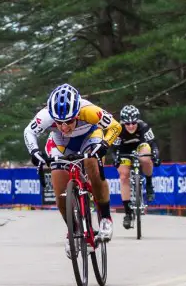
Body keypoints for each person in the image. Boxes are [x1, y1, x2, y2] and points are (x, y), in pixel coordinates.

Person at [24, 83, 122, 259]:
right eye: (59, 122)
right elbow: (29, 132)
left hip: (90, 137)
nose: (64, 126)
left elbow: (115, 127)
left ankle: (106, 218)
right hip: (60, 143)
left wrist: (104, 145)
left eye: (69, 121)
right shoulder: (46, 115)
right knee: (59, 191)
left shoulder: (89, 111)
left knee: (92, 162)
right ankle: (74, 230)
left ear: (77, 113)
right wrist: (34, 152)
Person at [112, 105, 161, 229]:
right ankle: (128, 214)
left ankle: (149, 184)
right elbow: (114, 149)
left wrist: (156, 155)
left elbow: (153, 144)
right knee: (123, 176)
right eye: (127, 123)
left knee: (146, 157)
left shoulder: (144, 127)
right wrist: (115, 159)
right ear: (123, 122)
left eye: (133, 122)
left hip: (140, 146)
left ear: (137, 120)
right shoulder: (118, 129)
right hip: (124, 151)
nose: (131, 126)